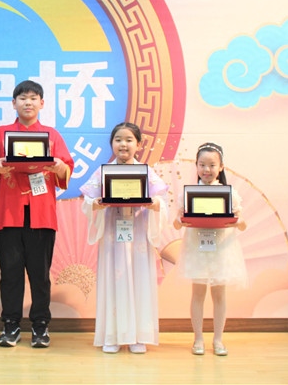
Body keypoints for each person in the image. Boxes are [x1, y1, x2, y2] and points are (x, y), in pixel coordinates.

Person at [0, 80, 74, 348]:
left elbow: (66, 167)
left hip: (42, 215)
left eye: (33, 98)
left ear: (42, 103)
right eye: (22, 98)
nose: (28, 102)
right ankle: (10, 325)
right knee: (10, 274)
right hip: (9, 214)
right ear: (14, 103)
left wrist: (58, 165)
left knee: (40, 275)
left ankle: (40, 326)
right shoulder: (1, 134)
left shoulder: (52, 135)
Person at [79, 122, 168, 354]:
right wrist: (96, 204)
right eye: (118, 139)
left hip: (138, 236)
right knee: (113, 279)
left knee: (139, 279)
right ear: (112, 143)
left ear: (138, 144)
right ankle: (113, 335)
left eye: (129, 140)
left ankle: (138, 336)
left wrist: (153, 204)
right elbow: (87, 202)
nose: (123, 144)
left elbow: (162, 202)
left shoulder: (146, 172)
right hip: (112, 235)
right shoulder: (103, 171)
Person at [173, 142, 247, 357]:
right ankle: (198, 339)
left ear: (221, 167)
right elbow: (176, 224)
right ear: (196, 166)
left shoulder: (230, 194)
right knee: (197, 294)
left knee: (219, 295)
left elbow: (242, 224)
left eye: (212, 165)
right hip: (197, 248)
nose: (207, 169)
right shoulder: (188, 194)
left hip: (221, 249)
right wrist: (180, 220)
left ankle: (218, 340)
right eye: (202, 164)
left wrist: (236, 221)